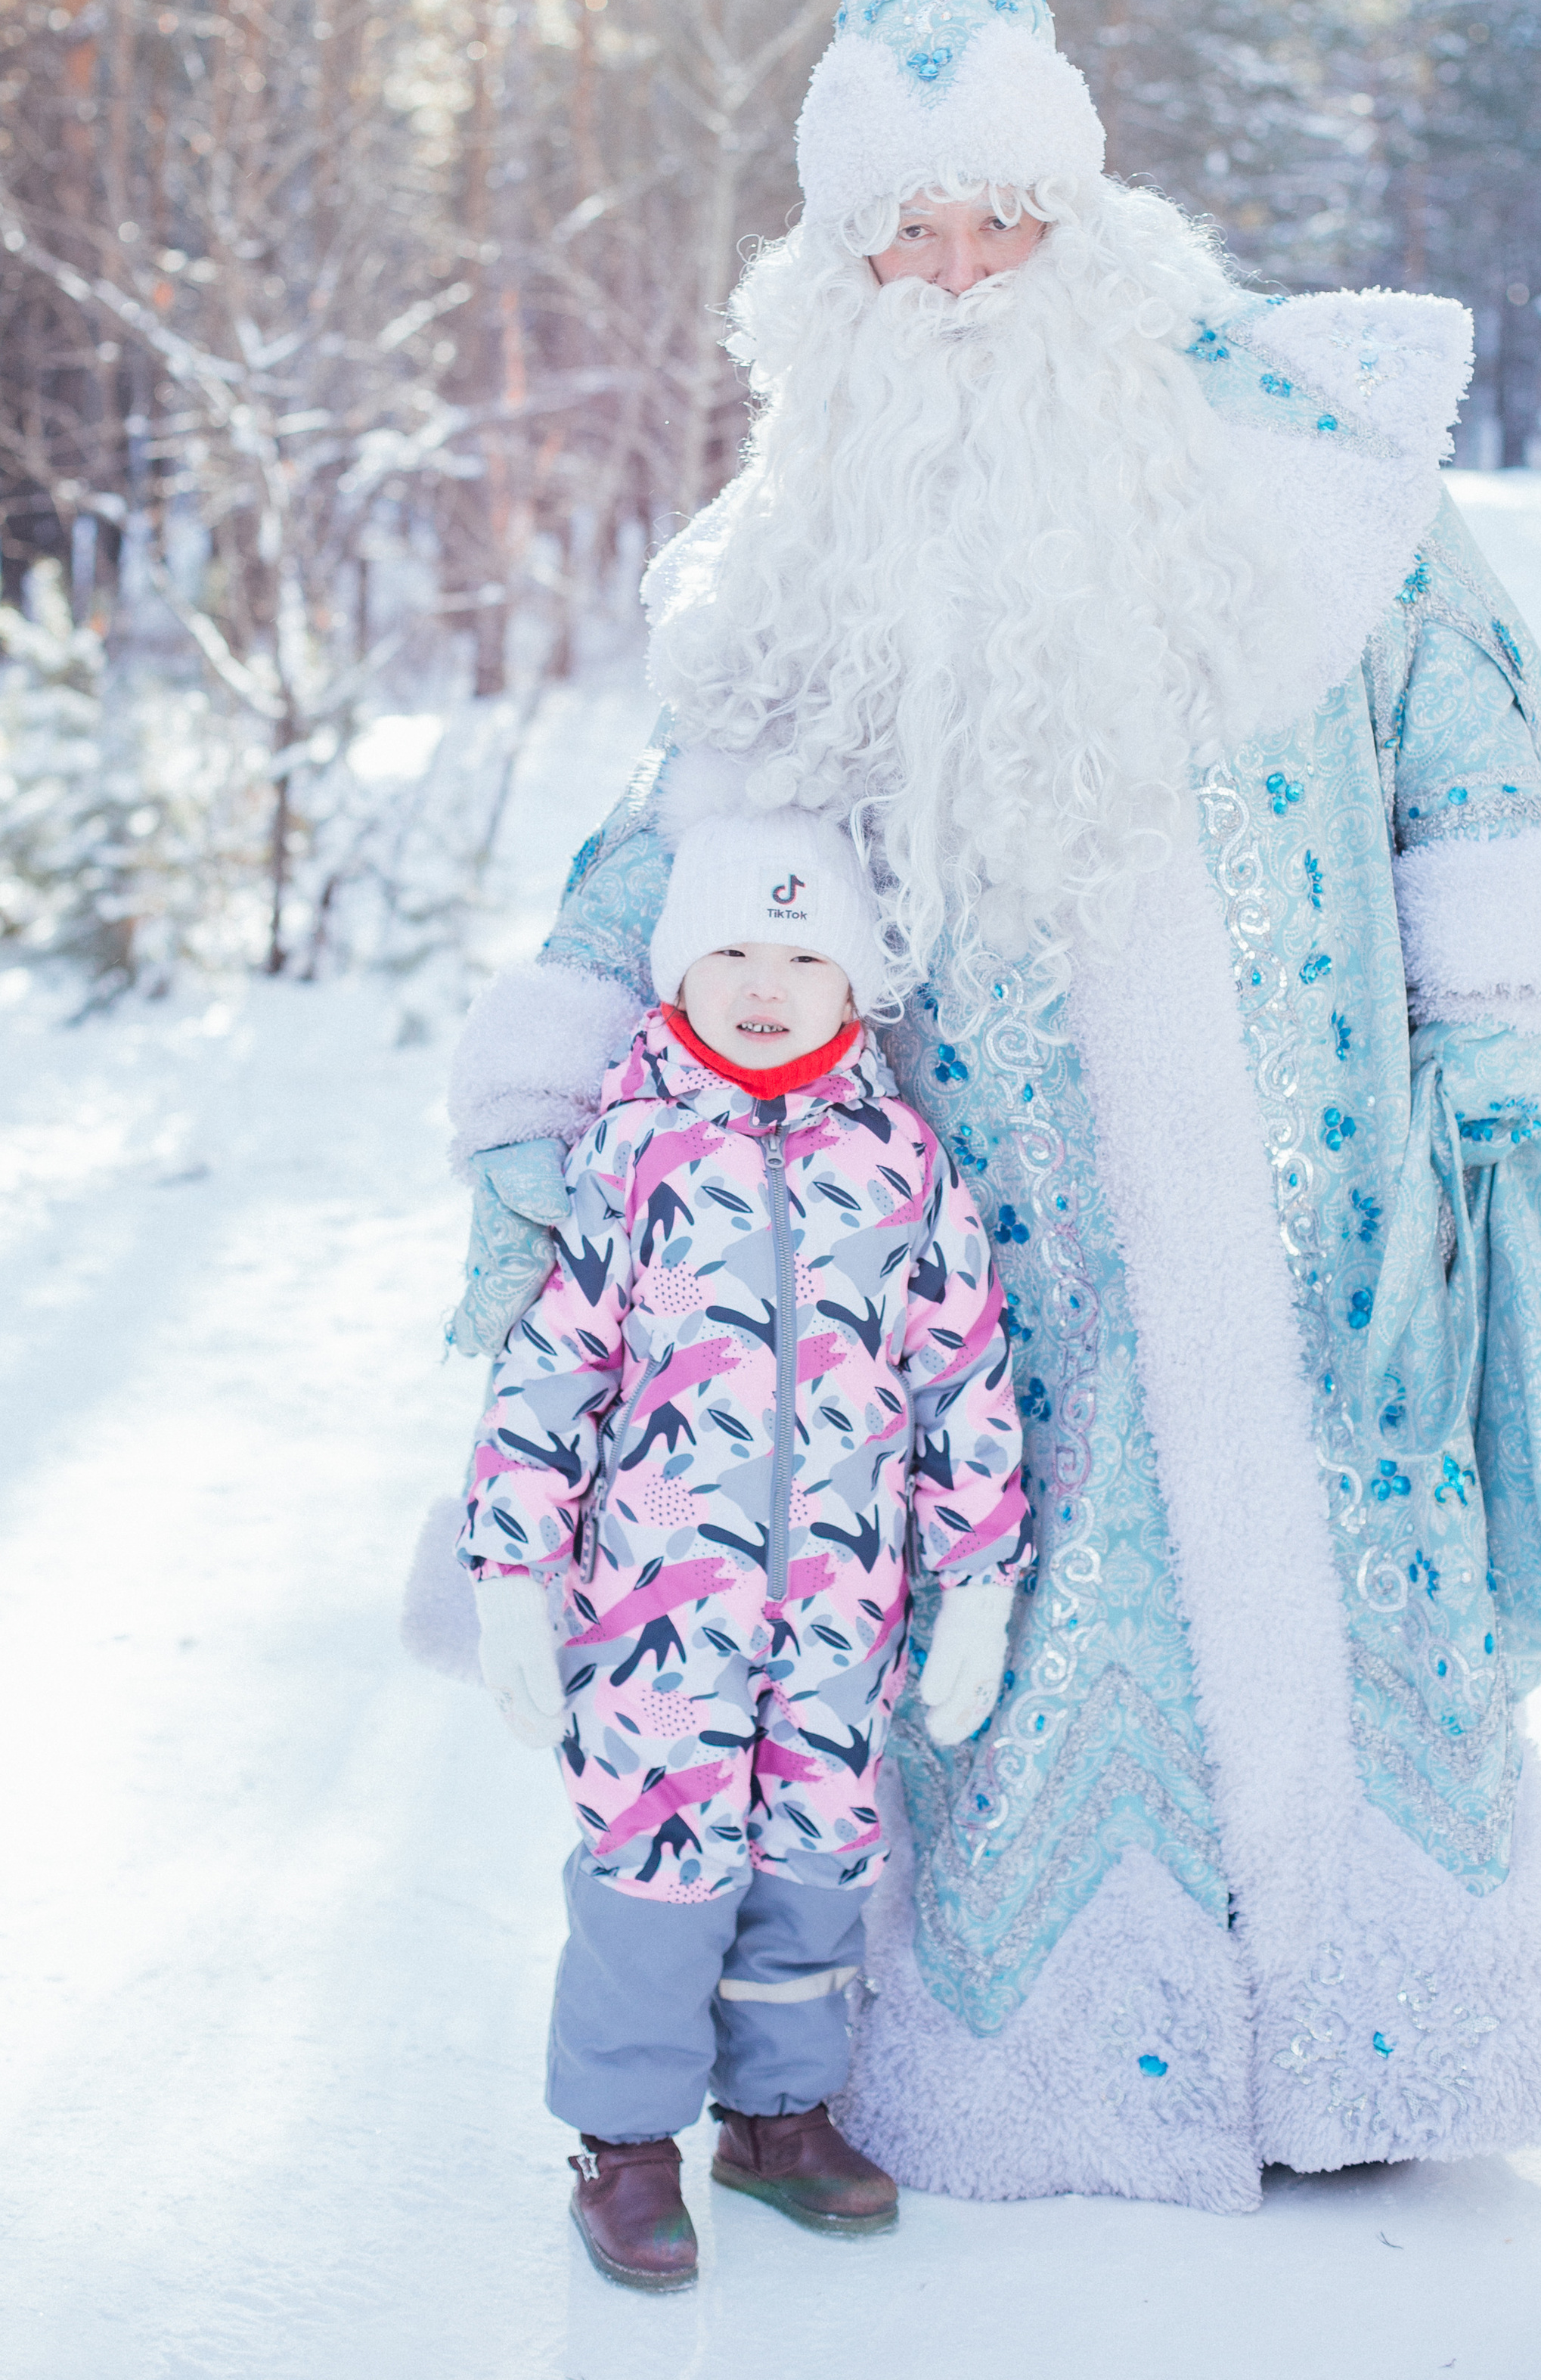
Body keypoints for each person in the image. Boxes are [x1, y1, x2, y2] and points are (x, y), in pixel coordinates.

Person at [437, 0, 1541, 2213]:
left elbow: (1471, 733)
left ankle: (1389, 2051)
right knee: (1041, 1622)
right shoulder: (801, 555)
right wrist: (553, 1094)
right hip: (985, 1235)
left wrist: (1506, 1040)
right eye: (901, 238)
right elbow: (679, 854)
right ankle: (1060, 2076)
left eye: (998, 219)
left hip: (1320, 1196)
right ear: (834, 272)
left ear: (1086, 216)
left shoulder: (1309, 473)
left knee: (1338, 1563)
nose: (957, 278)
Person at [461, 796, 1031, 2288]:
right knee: (656, 1862)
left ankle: (777, 2118)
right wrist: (511, 1579)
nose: (763, 982)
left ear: (855, 981)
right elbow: (548, 1373)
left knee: (818, 1853)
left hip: (841, 1606)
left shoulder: (901, 1166)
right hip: (656, 1602)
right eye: (727, 947)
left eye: (800, 949)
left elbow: (959, 1369)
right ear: (673, 971)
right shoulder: (629, 1156)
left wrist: (975, 1580)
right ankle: (626, 2143)